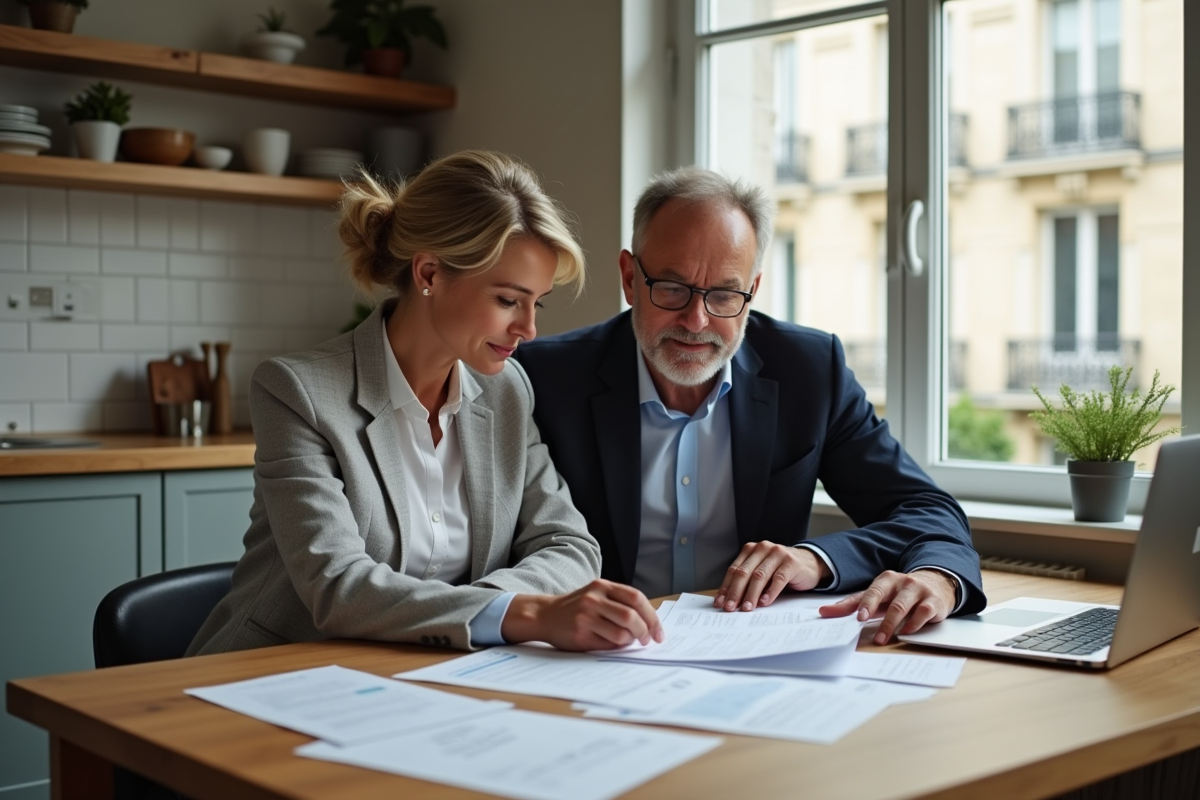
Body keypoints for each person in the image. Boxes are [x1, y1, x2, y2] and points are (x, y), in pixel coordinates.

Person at [188, 150, 662, 657]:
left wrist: (485, 611)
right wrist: (526, 613)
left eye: (536, 303)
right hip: (273, 674)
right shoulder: (298, 392)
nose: (529, 329)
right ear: (430, 274)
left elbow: (570, 545)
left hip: (428, 676)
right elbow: (337, 587)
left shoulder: (506, 392)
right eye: (507, 300)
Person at [515, 166, 987, 645]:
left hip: (751, 651)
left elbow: (927, 510)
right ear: (629, 278)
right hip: (599, 656)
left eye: (723, 294)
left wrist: (821, 561)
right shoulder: (544, 379)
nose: (696, 321)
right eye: (672, 288)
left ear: (753, 291)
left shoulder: (808, 370)